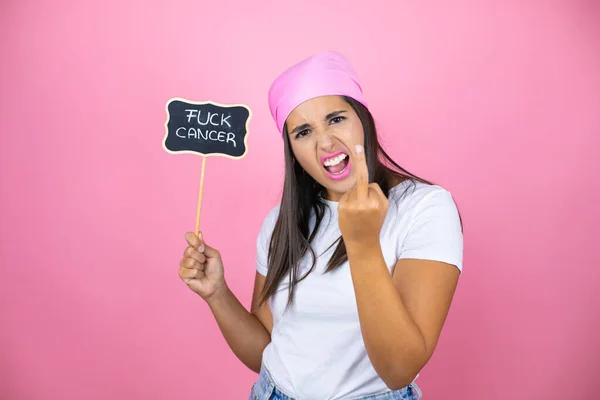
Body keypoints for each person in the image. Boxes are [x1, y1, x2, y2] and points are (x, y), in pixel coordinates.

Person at [178, 51, 464, 400]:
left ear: (362, 119)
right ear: (292, 151)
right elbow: (267, 350)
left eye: (336, 118)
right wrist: (217, 294)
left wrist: (361, 245)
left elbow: (398, 369)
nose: (326, 142)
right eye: (304, 131)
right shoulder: (281, 224)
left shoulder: (425, 208)